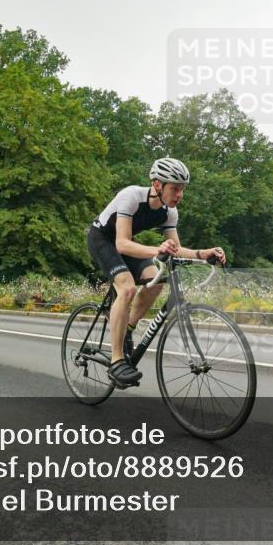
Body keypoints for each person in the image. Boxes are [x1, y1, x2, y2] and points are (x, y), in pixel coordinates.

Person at [87, 158, 226, 388]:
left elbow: (176, 249)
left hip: (128, 244)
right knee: (127, 288)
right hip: (103, 239)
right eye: (175, 188)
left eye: (182, 189)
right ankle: (116, 359)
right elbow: (121, 244)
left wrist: (204, 253)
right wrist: (157, 250)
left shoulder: (169, 212)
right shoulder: (131, 196)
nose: (179, 194)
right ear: (158, 184)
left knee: (158, 279)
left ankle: (128, 328)